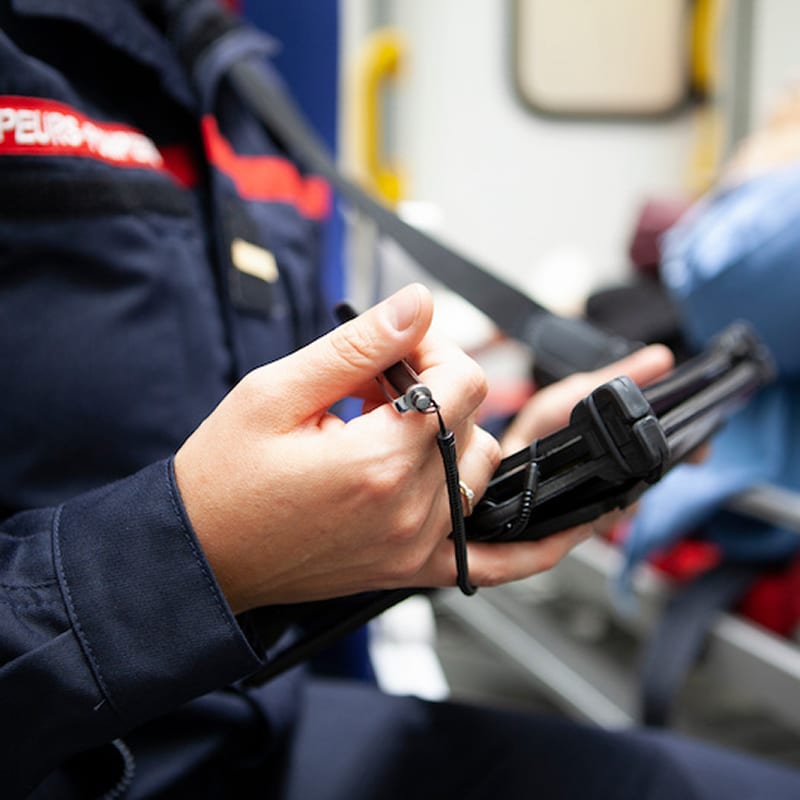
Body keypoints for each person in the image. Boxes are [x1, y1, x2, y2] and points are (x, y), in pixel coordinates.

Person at [2, 1, 800, 797]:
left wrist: (506, 469)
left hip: (267, 730)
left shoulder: (238, 87)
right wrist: (194, 559)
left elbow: (290, 497)